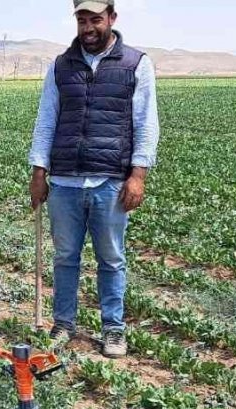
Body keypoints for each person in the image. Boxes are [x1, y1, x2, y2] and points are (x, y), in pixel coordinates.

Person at [28, 0, 159, 358]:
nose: (88, 28)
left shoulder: (136, 64)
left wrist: (138, 175)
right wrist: (39, 170)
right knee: (65, 256)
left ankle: (113, 329)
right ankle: (63, 324)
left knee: (111, 258)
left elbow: (146, 124)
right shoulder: (61, 66)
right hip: (66, 181)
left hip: (110, 182)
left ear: (112, 19)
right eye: (82, 20)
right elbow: (46, 120)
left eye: (95, 20)